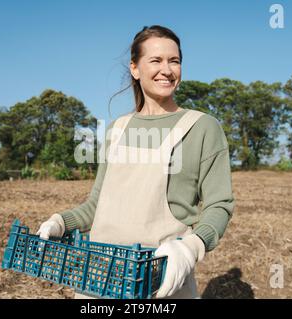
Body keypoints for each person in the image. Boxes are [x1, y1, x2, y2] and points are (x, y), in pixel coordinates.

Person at [36, 25, 235, 299]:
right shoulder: (117, 129)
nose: (167, 69)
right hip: (98, 280)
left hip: (161, 283)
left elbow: (219, 204)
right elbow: (97, 205)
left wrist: (191, 246)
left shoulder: (202, 127)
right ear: (135, 68)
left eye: (174, 61)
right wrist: (61, 222)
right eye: (156, 60)